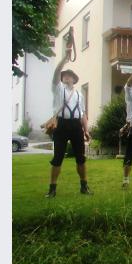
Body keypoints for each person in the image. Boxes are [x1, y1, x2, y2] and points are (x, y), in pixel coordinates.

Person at [46, 52, 91, 198]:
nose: (66, 76)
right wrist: (64, 60)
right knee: (57, 158)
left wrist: (86, 130)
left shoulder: (79, 95)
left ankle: (84, 186)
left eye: (69, 75)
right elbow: (56, 72)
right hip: (61, 125)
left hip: (76, 127)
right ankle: (52, 189)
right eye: (64, 75)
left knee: (81, 158)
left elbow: (83, 114)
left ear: (74, 79)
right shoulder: (58, 89)